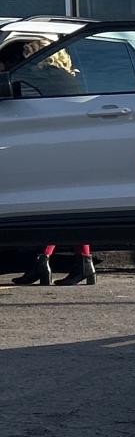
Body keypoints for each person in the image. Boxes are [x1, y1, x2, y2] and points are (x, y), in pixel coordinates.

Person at [7, 37, 96, 286]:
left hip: (51, 145)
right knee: (70, 206)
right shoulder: (68, 76)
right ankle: (80, 262)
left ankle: (43, 261)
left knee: (51, 206)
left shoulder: (39, 77)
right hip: (77, 145)